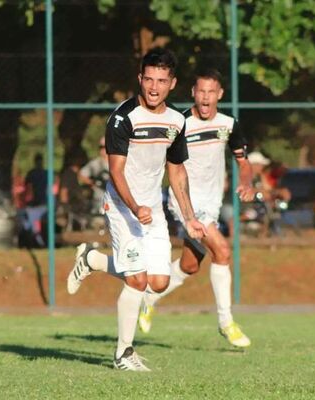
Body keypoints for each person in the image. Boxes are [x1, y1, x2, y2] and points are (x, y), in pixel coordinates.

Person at [66, 48, 206, 371]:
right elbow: (116, 172)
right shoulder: (122, 118)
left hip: (152, 209)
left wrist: (189, 217)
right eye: (149, 79)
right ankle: (123, 354)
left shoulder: (176, 121)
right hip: (121, 206)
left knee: (158, 281)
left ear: (172, 83)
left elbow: (177, 171)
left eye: (162, 80)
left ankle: (92, 259)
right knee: (137, 281)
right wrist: (134, 206)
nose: (154, 87)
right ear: (139, 79)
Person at [138, 68, 254, 347]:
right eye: (200, 91)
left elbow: (243, 162)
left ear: (219, 95)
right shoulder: (180, 122)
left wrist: (248, 183)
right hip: (185, 203)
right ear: (193, 92)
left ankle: (148, 298)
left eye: (211, 92)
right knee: (222, 251)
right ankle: (226, 322)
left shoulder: (228, 123)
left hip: (211, 204)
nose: (205, 97)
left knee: (189, 266)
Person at [78, 136, 110, 216]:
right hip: (99, 197)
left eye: (105, 147)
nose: (103, 150)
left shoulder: (117, 162)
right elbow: (81, 174)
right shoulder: (95, 163)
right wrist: (93, 182)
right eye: (101, 147)